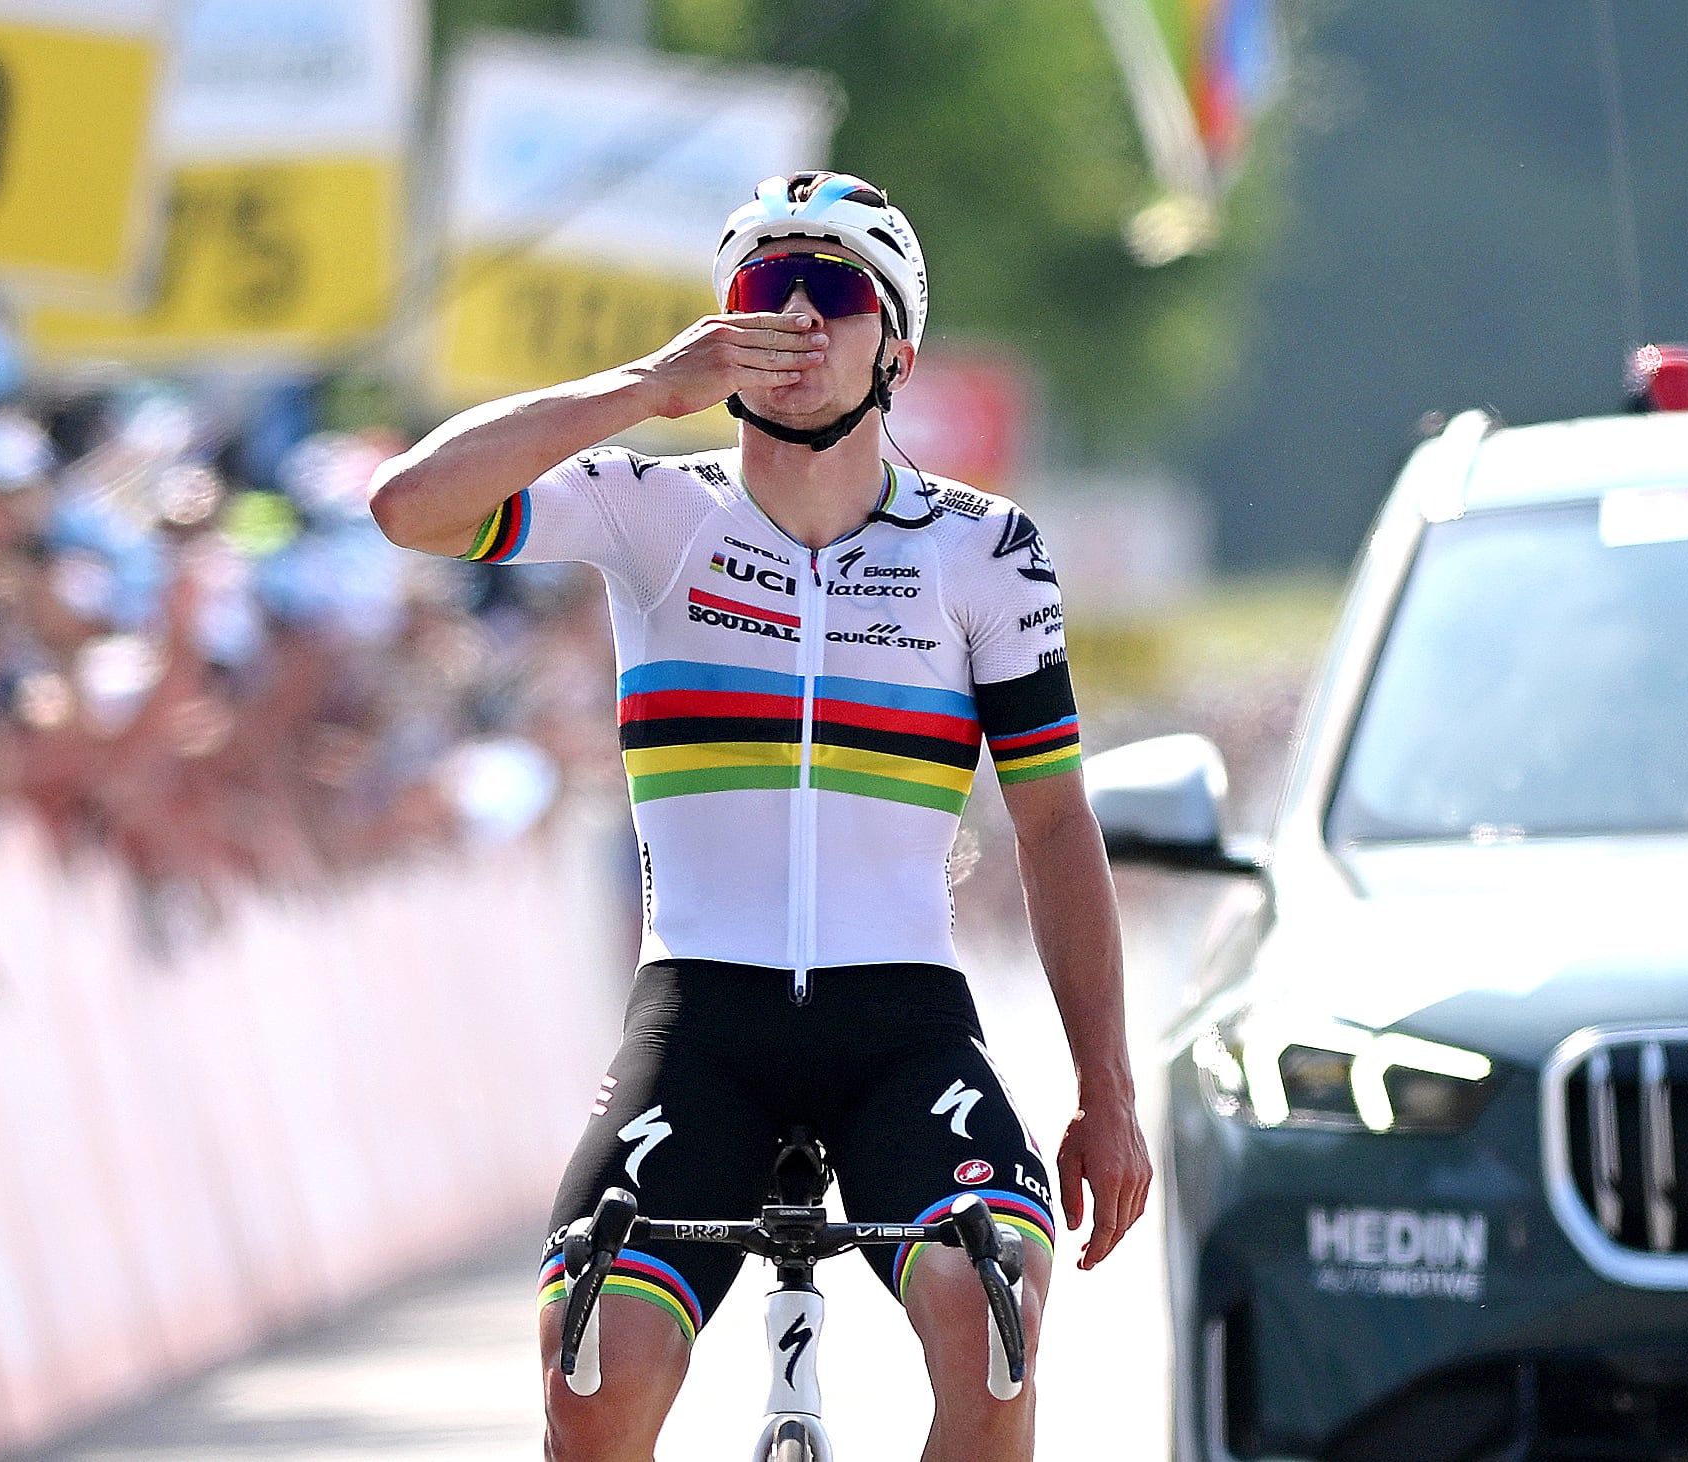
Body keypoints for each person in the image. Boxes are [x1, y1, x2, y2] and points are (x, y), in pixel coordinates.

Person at [370, 171, 1149, 1462]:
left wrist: (1104, 1091)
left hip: (900, 1024)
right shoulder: (649, 504)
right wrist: (640, 388)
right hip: (700, 1022)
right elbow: (408, 503)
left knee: (991, 1306)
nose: (788, 317)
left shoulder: (983, 548)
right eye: (755, 291)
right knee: (589, 1371)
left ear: (893, 345)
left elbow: (1057, 826)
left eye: (830, 291)